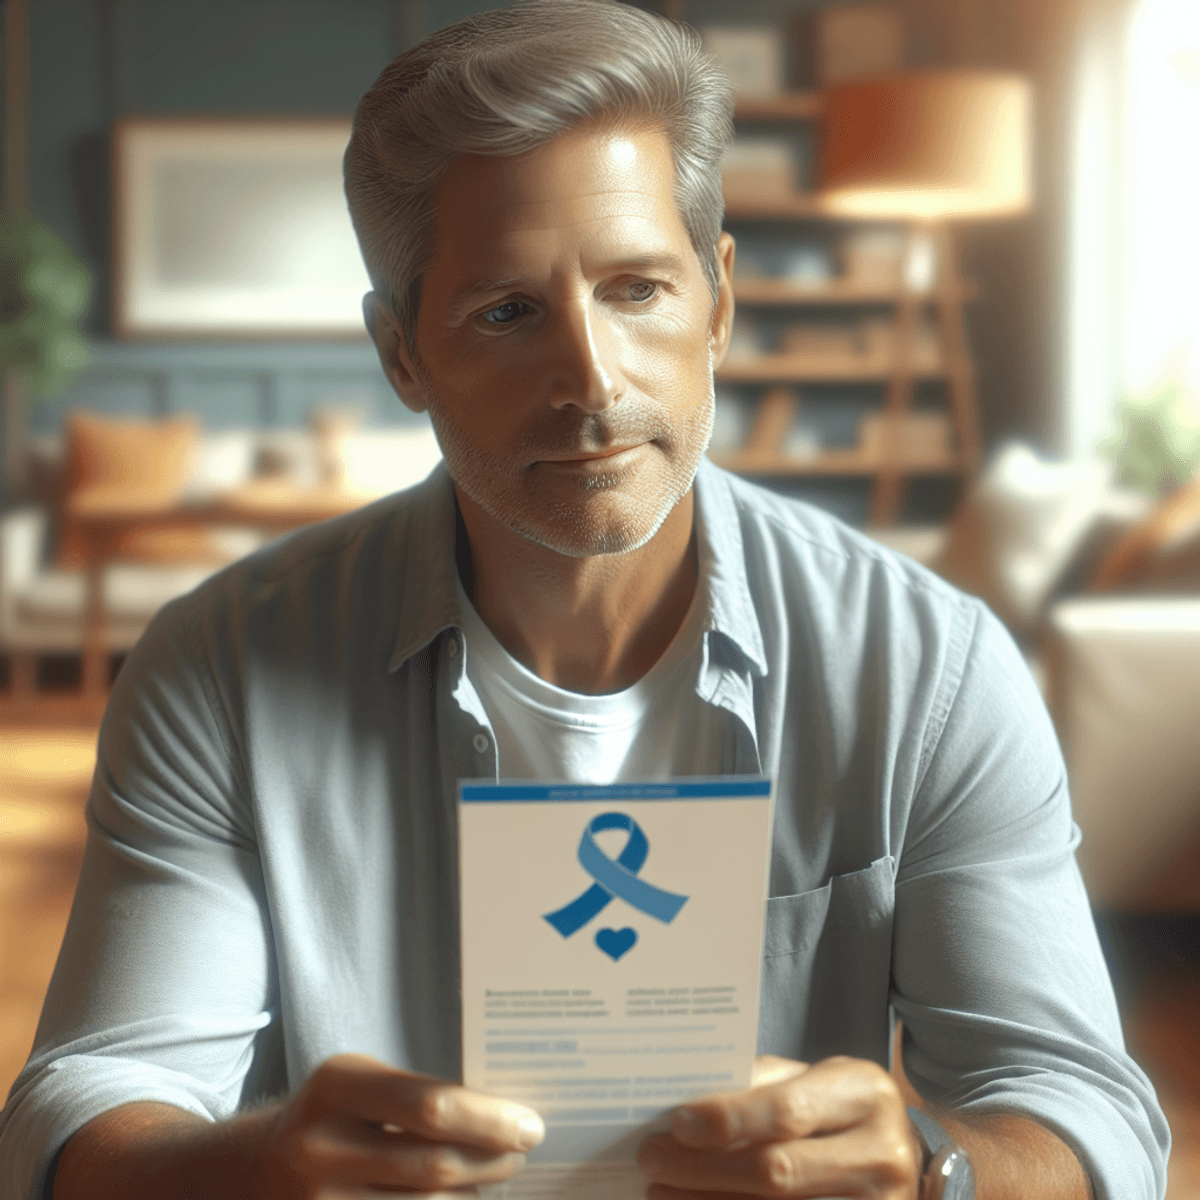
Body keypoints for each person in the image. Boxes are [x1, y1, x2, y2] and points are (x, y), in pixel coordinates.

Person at [0, 2, 1169, 1198]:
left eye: (636, 290)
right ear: (403, 353)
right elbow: (87, 1100)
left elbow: (1090, 1120)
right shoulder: (218, 669)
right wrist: (247, 1175)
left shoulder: (931, 669)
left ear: (716, 301)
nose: (593, 381)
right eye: (508, 311)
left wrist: (935, 1171)